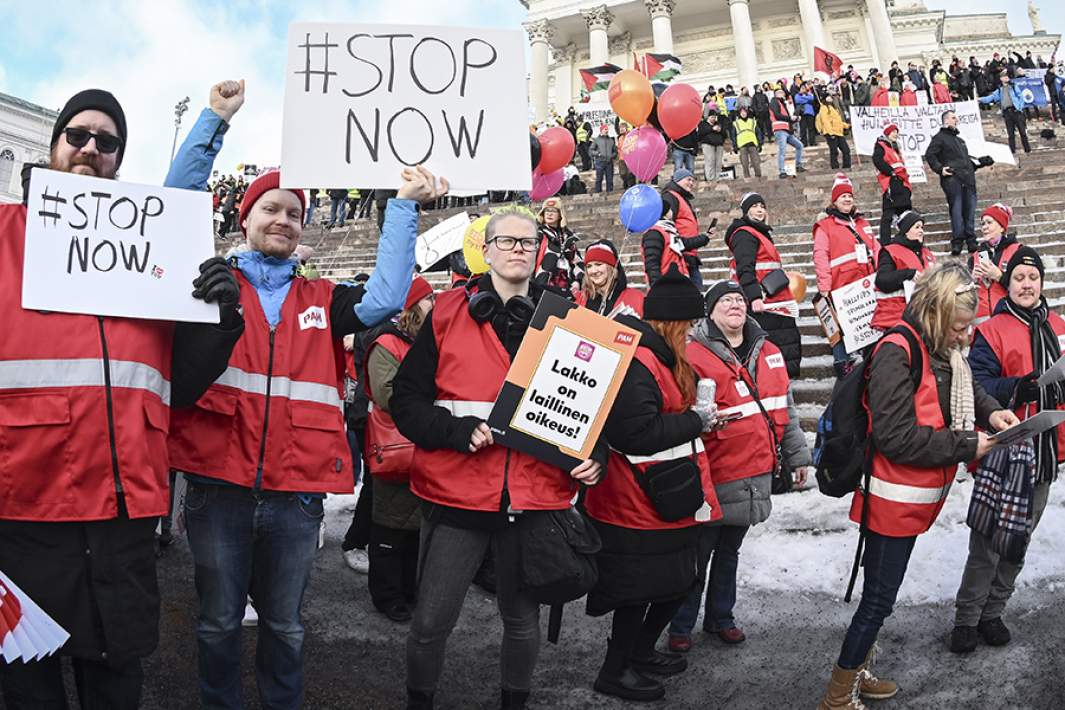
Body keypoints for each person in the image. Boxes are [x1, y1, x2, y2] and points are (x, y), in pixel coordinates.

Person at [164, 99, 448, 707]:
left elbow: (388, 294)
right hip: (218, 490)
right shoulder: (210, 283)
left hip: (296, 498)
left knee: (287, 627)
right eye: (271, 208)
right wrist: (212, 120)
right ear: (246, 219)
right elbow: (171, 214)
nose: (284, 219)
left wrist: (401, 206)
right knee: (215, 624)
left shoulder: (326, 296)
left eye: (294, 212)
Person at [0, 84, 246, 709]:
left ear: (118, 161)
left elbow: (179, 386)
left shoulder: (151, 255)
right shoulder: (4, 234)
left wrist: (221, 317)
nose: (90, 149)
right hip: (24, 514)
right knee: (28, 688)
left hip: (123, 515)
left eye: (106, 143)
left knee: (116, 685)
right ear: (52, 147)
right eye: (76, 135)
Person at [391, 207, 604, 710]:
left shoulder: (569, 324)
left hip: (533, 498)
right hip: (458, 494)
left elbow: (591, 410)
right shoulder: (445, 313)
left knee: (521, 621)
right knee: (430, 622)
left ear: (539, 252)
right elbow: (405, 402)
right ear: (484, 251)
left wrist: (596, 455)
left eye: (528, 243)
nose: (517, 250)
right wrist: (454, 431)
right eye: (506, 241)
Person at [818, 264, 1018, 709]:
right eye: (958, 326)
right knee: (877, 602)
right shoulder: (898, 349)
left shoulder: (933, 343)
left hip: (909, 499)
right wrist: (968, 443)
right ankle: (837, 695)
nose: (962, 335)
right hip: (891, 500)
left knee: (879, 600)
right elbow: (896, 436)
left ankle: (858, 671)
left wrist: (990, 412)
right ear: (937, 311)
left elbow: (955, 385)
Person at [582, 267, 721, 702]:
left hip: (665, 495)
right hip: (635, 500)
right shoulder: (639, 361)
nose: (695, 332)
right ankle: (614, 669)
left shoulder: (660, 354)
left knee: (675, 583)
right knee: (638, 592)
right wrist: (694, 421)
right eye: (691, 324)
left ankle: (639, 653)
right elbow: (633, 434)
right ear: (672, 323)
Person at [667, 281, 810, 653]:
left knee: (730, 550)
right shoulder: (691, 352)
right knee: (698, 554)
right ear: (710, 311)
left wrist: (798, 456)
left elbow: (786, 409)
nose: (735, 304)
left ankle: (721, 617)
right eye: (725, 300)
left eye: (740, 299)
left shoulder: (770, 351)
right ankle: (680, 624)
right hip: (711, 468)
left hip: (755, 469)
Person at [952, 247, 1063, 653]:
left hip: (1045, 452)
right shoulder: (992, 328)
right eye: (1019, 278)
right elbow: (977, 383)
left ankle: (992, 613)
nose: (1027, 284)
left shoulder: (1058, 324)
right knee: (988, 542)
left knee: (1018, 544)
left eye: (1033, 278)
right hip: (1006, 452)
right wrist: (1020, 387)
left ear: (1041, 284)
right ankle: (966, 618)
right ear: (1008, 283)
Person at [363, 276, 435, 623]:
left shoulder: (428, 343)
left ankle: (410, 589)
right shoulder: (388, 343)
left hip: (422, 444)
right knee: (390, 525)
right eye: (428, 300)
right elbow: (385, 392)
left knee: (416, 527)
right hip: (396, 445)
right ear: (413, 306)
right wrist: (427, 401)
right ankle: (387, 594)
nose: (434, 305)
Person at [725, 192, 802, 378]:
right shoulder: (745, 234)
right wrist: (754, 297)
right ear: (745, 211)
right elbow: (745, 268)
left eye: (762, 206)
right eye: (754, 207)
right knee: (774, 349)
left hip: (774, 301)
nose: (760, 210)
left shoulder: (759, 232)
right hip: (764, 303)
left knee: (782, 346)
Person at [813, 174, 879, 376]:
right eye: (843, 196)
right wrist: (824, 285)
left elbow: (876, 248)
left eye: (850, 196)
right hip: (841, 286)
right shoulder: (825, 226)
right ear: (834, 200)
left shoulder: (862, 223)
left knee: (868, 325)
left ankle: (871, 362)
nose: (847, 199)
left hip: (866, 284)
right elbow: (820, 255)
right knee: (840, 329)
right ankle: (842, 364)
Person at [925, 109, 995, 255]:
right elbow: (930, 155)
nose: (956, 120)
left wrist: (981, 162)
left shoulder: (960, 141)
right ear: (946, 121)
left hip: (968, 179)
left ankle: (971, 240)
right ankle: (957, 241)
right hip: (953, 179)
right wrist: (940, 169)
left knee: (969, 211)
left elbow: (966, 163)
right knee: (956, 210)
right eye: (953, 118)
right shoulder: (939, 138)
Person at [870, 211, 935, 333]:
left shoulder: (927, 253)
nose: (921, 231)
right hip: (896, 317)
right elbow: (882, 280)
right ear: (905, 230)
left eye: (922, 227)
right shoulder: (890, 251)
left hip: (923, 316)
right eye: (917, 227)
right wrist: (907, 274)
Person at [970, 203, 1020, 324]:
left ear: (1002, 227)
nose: (984, 227)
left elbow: (1023, 286)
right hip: (982, 321)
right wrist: (972, 279)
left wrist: (999, 276)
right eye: (983, 223)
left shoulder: (1017, 251)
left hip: (1009, 316)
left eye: (989, 222)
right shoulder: (977, 255)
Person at [641, 201, 709, 288]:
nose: (672, 212)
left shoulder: (668, 231)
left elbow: (685, 243)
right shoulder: (654, 233)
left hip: (678, 282)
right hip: (666, 285)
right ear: (664, 213)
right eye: (670, 209)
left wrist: (705, 237)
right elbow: (652, 263)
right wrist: (657, 287)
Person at [660, 169, 708, 289]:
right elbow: (667, 223)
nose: (691, 183)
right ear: (678, 180)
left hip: (689, 255)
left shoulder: (681, 197)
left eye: (693, 180)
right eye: (688, 179)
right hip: (680, 255)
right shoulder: (670, 196)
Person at [575, 240, 644, 317]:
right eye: (589, 266)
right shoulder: (582, 298)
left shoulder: (635, 298)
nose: (593, 271)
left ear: (611, 267)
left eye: (598, 264)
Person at [872, 123, 912, 247]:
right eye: (893, 131)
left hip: (901, 182)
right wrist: (891, 172)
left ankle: (907, 240)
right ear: (887, 133)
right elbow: (877, 160)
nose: (896, 134)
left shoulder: (895, 148)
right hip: (892, 183)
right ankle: (885, 243)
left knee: (905, 213)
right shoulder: (881, 145)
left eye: (897, 132)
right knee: (888, 213)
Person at [979, 71, 1032, 155]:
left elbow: (1021, 97)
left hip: (1016, 111)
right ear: (1001, 79)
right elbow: (991, 97)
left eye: (1007, 76)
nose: (1007, 77)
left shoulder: (1013, 86)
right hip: (1007, 113)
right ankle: (1012, 151)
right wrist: (980, 99)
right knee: (1010, 134)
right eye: (1005, 76)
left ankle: (1027, 149)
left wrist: (1020, 108)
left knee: (1022, 132)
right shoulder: (1000, 89)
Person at [534, 197, 580, 293]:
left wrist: (577, 280)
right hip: (543, 286)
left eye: (554, 211)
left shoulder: (568, 237)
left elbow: (576, 261)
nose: (549, 213)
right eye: (546, 211)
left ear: (560, 215)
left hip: (567, 287)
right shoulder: (538, 234)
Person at [769, 88, 805, 179]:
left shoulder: (782, 103)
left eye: (782, 92)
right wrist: (791, 118)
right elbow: (777, 115)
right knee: (782, 151)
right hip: (780, 129)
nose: (781, 94)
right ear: (775, 94)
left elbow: (786, 118)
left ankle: (798, 165)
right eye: (779, 92)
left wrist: (795, 119)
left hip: (786, 129)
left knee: (799, 146)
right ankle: (782, 171)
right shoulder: (774, 102)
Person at [815, 95, 851, 170]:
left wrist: (846, 126)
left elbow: (838, 121)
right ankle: (835, 167)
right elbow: (825, 121)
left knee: (846, 150)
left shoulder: (834, 108)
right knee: (834, 151)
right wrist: (830, 133)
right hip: (831, 132)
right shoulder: (824, 108)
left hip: (839, 132)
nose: (830, 98)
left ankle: (847, 166)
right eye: (828, 96)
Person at [734, 106, 762, 178]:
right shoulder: (736, 123)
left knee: (756, 162)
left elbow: (758, 132)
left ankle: (758, 176)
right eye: (741, 112)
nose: (743, 114)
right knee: (744, 163)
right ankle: (747, 178)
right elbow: (733, 135)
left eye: (744, 112)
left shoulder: (752, 121)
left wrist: (760, 143)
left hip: (752, 143)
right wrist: (735, 145)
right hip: (742, 144)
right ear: (739, 114)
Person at [590, 124, 618, 193]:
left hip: (609, 162)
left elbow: (615, 151)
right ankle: (598, 192)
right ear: (601, 131)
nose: (607, 131)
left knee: (610, 179)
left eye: (607, 129)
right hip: (599, 162)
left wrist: (612, 156)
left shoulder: (611, 140)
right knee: (599, 179)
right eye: (605, 129)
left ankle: (610, 192)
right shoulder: (596, 140)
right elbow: (591, 150)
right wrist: (598, 154)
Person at [699, 114, 726, 182]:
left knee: (718, 163)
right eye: (712, 117)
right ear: (708, 117)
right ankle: (710, 179)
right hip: (708, 145)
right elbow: (700, 133)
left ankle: (717, 178)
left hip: (719, 145)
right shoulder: (703, 124)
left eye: (714, 117)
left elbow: (725, 135)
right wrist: (712, 129)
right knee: (710, 162)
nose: (713, 118)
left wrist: (721, 130)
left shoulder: (719, 124)